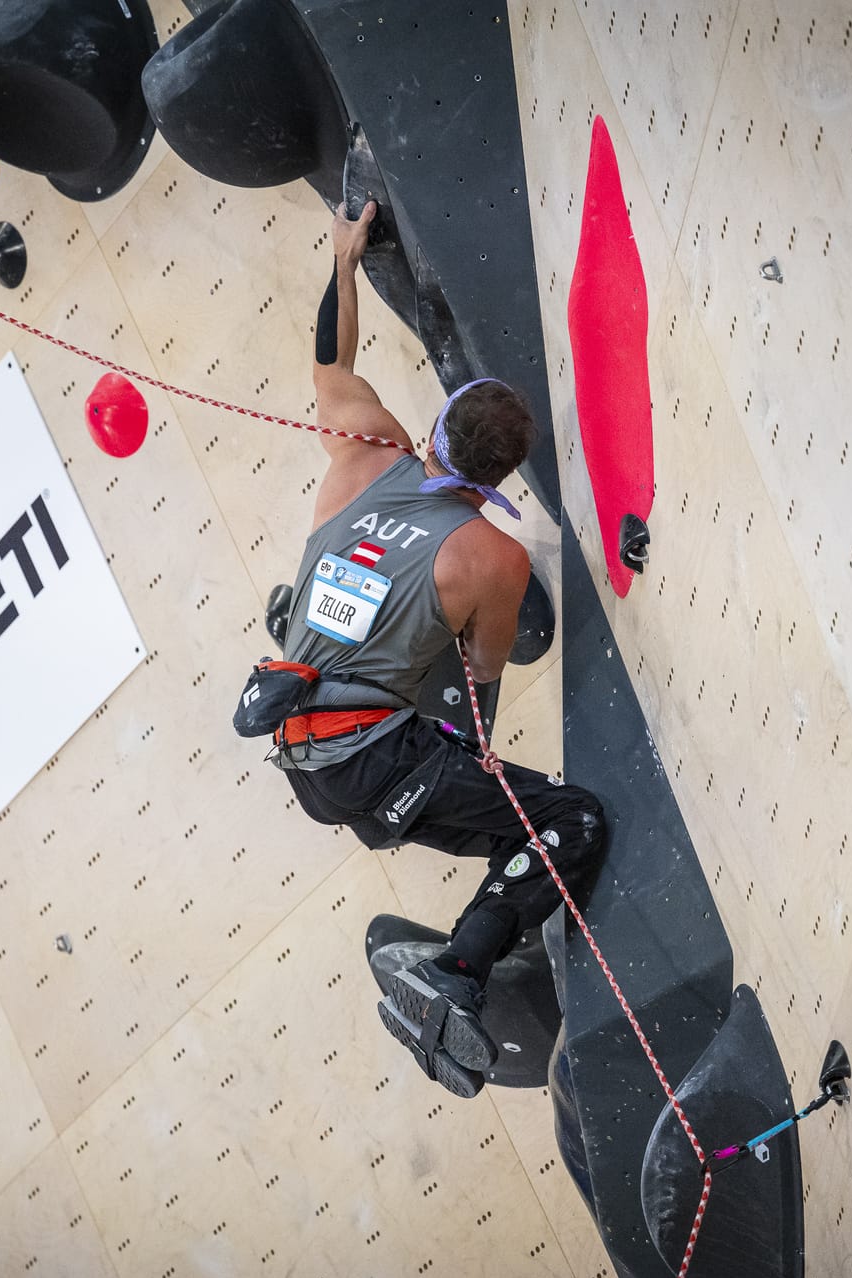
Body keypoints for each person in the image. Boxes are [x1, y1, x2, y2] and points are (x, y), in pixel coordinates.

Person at [268, 200, 607, 1098]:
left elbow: (330, 358)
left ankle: (489, 912)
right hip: (374, 761)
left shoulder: (366, 450)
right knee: (565, 821)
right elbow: (477, 680)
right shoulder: (489, 555)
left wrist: (344, 262)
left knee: (492, 802)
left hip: (300, 745)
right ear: (498, 479)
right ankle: (454, 968)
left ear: (437, 423)